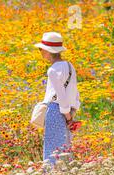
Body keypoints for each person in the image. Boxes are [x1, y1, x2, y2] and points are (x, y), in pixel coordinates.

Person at [34, 32, 80, 166]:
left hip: (56, 111)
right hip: (69, 111)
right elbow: (75, 93)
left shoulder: (53, 70)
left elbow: (60, 96)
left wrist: (67, 117)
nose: (40, 52)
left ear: (48, 51)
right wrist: (72, 112)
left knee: (52, 149)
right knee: (65, 148)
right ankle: (66, 174)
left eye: (41, 49)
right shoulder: (70, 66)